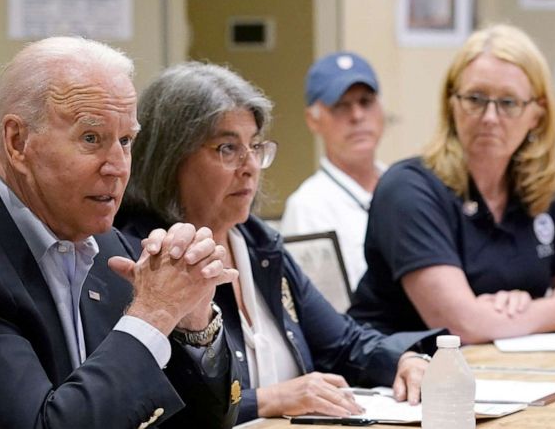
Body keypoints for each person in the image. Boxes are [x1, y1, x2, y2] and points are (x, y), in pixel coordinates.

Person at [0, 37, 242, 429]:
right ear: (18, 142)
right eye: (91, 138)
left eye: (125, 141)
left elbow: (205, 423)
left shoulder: (108, 247)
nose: (117, 167)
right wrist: (154, 312)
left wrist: (192, 322)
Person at [116, 62, 439, 424]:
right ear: (170, 158)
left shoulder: (258, 244)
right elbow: (159, 412)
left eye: (255, 146)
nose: (250, 165)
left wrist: (404, 360)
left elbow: (344, 343)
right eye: (227, 148)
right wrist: (269, 400)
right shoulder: (145, 258)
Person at [349, 24, 555, 343]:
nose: (490, 117)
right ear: (452, 103)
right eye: (475, 98)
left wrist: (521, 311)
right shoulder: (408, 189)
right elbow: (461, 326)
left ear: (536, 114)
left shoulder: (547, 190)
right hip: (396, 379)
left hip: (504, 373)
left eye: (508, 102)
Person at [280, 52, 386, 288]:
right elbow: (316, 311)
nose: (357, 115)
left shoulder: (405, 187)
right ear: (312, 120)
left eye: (366, 102)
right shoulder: (307, 207)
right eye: (340, 106)